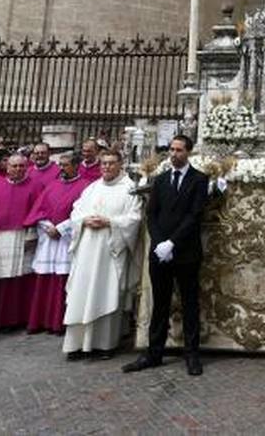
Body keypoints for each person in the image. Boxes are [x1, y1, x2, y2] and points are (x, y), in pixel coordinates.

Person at [123, 134, 208, 376]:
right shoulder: (159, 180)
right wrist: (160, 243)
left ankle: (192, 355)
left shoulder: (199, 179)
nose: (174, 154)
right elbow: (152, 214)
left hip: (186, 252)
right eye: (171, 149)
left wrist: (172, 242)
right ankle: (154, 353)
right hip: (161, 253)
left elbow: (194, 216)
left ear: (188, 152)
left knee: (190, 304)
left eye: (179, 150)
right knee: (159, 304)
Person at [62, 150, 144, 359]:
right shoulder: (92, 188)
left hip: (110, 251)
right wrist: (83, 221)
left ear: (120, 164)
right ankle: (76, 344)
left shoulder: (130, 190)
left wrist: (111, 222)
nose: (106, 167)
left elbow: (134, 219)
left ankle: (104, 345)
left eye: (111, 163)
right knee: (81, 293)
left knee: (106, 292)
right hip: (87, 249)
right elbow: (76, 212)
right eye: (104, 164)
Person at [24, 153, 89, 335]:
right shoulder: (52, 185)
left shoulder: (85, 187)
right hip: (49, 239)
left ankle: (58, 323)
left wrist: (61, 229)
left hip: (67, 240)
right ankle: (40, 321)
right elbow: (39, 209)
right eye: (60, 165)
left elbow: (83, 213)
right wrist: (47, 226)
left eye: (66, 165)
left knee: (62, 281)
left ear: (76, 166)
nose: (61, 168)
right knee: (45, 280)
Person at [0, 153, 42, 331]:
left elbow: (38, 212)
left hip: (22, 237)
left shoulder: (35, 186)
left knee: (16, 282)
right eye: (14, 166)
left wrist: (32, 235)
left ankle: (11, 320)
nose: (18, 169)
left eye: (21, 166)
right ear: (7, 167)